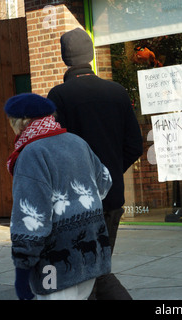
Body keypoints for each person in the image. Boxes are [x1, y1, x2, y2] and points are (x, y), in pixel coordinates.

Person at [47, 28, 143, 300]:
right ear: (89, 55)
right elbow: (134, 145)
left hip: (76, 202)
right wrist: (107, 174)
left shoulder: (59, 96)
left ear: (65, 57)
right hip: (111, 199)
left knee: (91, 273)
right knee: (96, 267)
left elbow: (54, 150)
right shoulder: (117, 92)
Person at [6, 93, 113, 300]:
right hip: (88, 259)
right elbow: (105, 182)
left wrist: (22, 274)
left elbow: (31, 221)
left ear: (19, 122)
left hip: (53, 265)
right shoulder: (76, 142)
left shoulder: (31, 153)